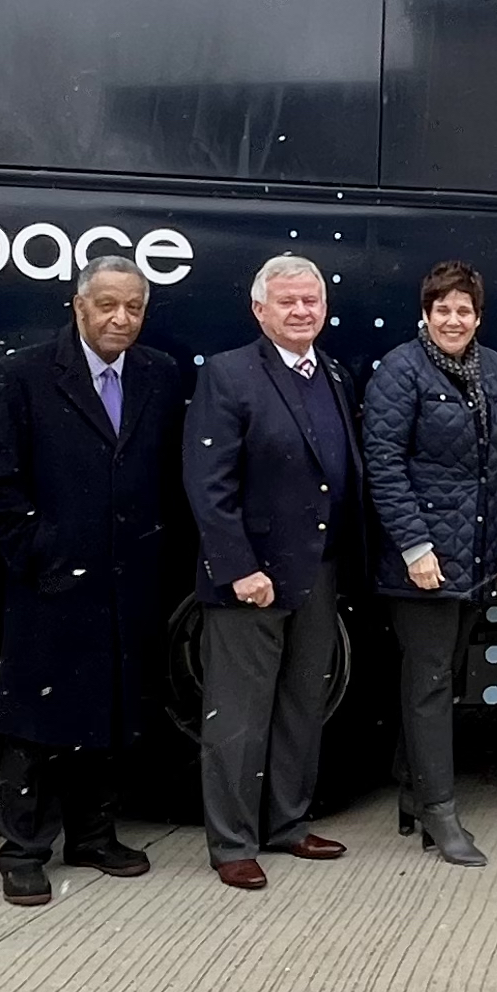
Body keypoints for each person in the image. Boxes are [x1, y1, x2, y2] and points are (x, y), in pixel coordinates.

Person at [0, 254, 188, 905]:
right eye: (108, 305)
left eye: (135, 308)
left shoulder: (159, 374)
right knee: (36, 724)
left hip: (128, 584)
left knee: (113, 713)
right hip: (51, 584)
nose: (121, 319)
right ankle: (23, 850)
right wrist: (43, 556)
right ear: (79, 304)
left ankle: (93, 834)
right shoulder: (23, 375)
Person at [183, 253, 364, 890]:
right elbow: (209, 484)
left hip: (317, 571)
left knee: (301, 706)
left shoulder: (333, 374)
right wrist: (238, 568)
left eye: (310, 301)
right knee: (237, 716)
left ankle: (287, 823)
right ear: (259, 310)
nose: (300, 311)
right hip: (251, 579)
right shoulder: (230, 375)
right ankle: (232, 841)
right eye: (286, 302)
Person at [360, 261, 497, 869]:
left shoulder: (493, 368)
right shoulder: (401, 370)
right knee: (428, 684)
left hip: (474, 554)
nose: (454, 320)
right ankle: (440, 814)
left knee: (444, 679)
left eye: (465, 310)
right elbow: (385, 466)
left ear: (478, 316)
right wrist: (416, 548)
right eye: (443, 309)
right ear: (425, 314)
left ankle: (410, 793)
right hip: (422, 561)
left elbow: (496, 465)